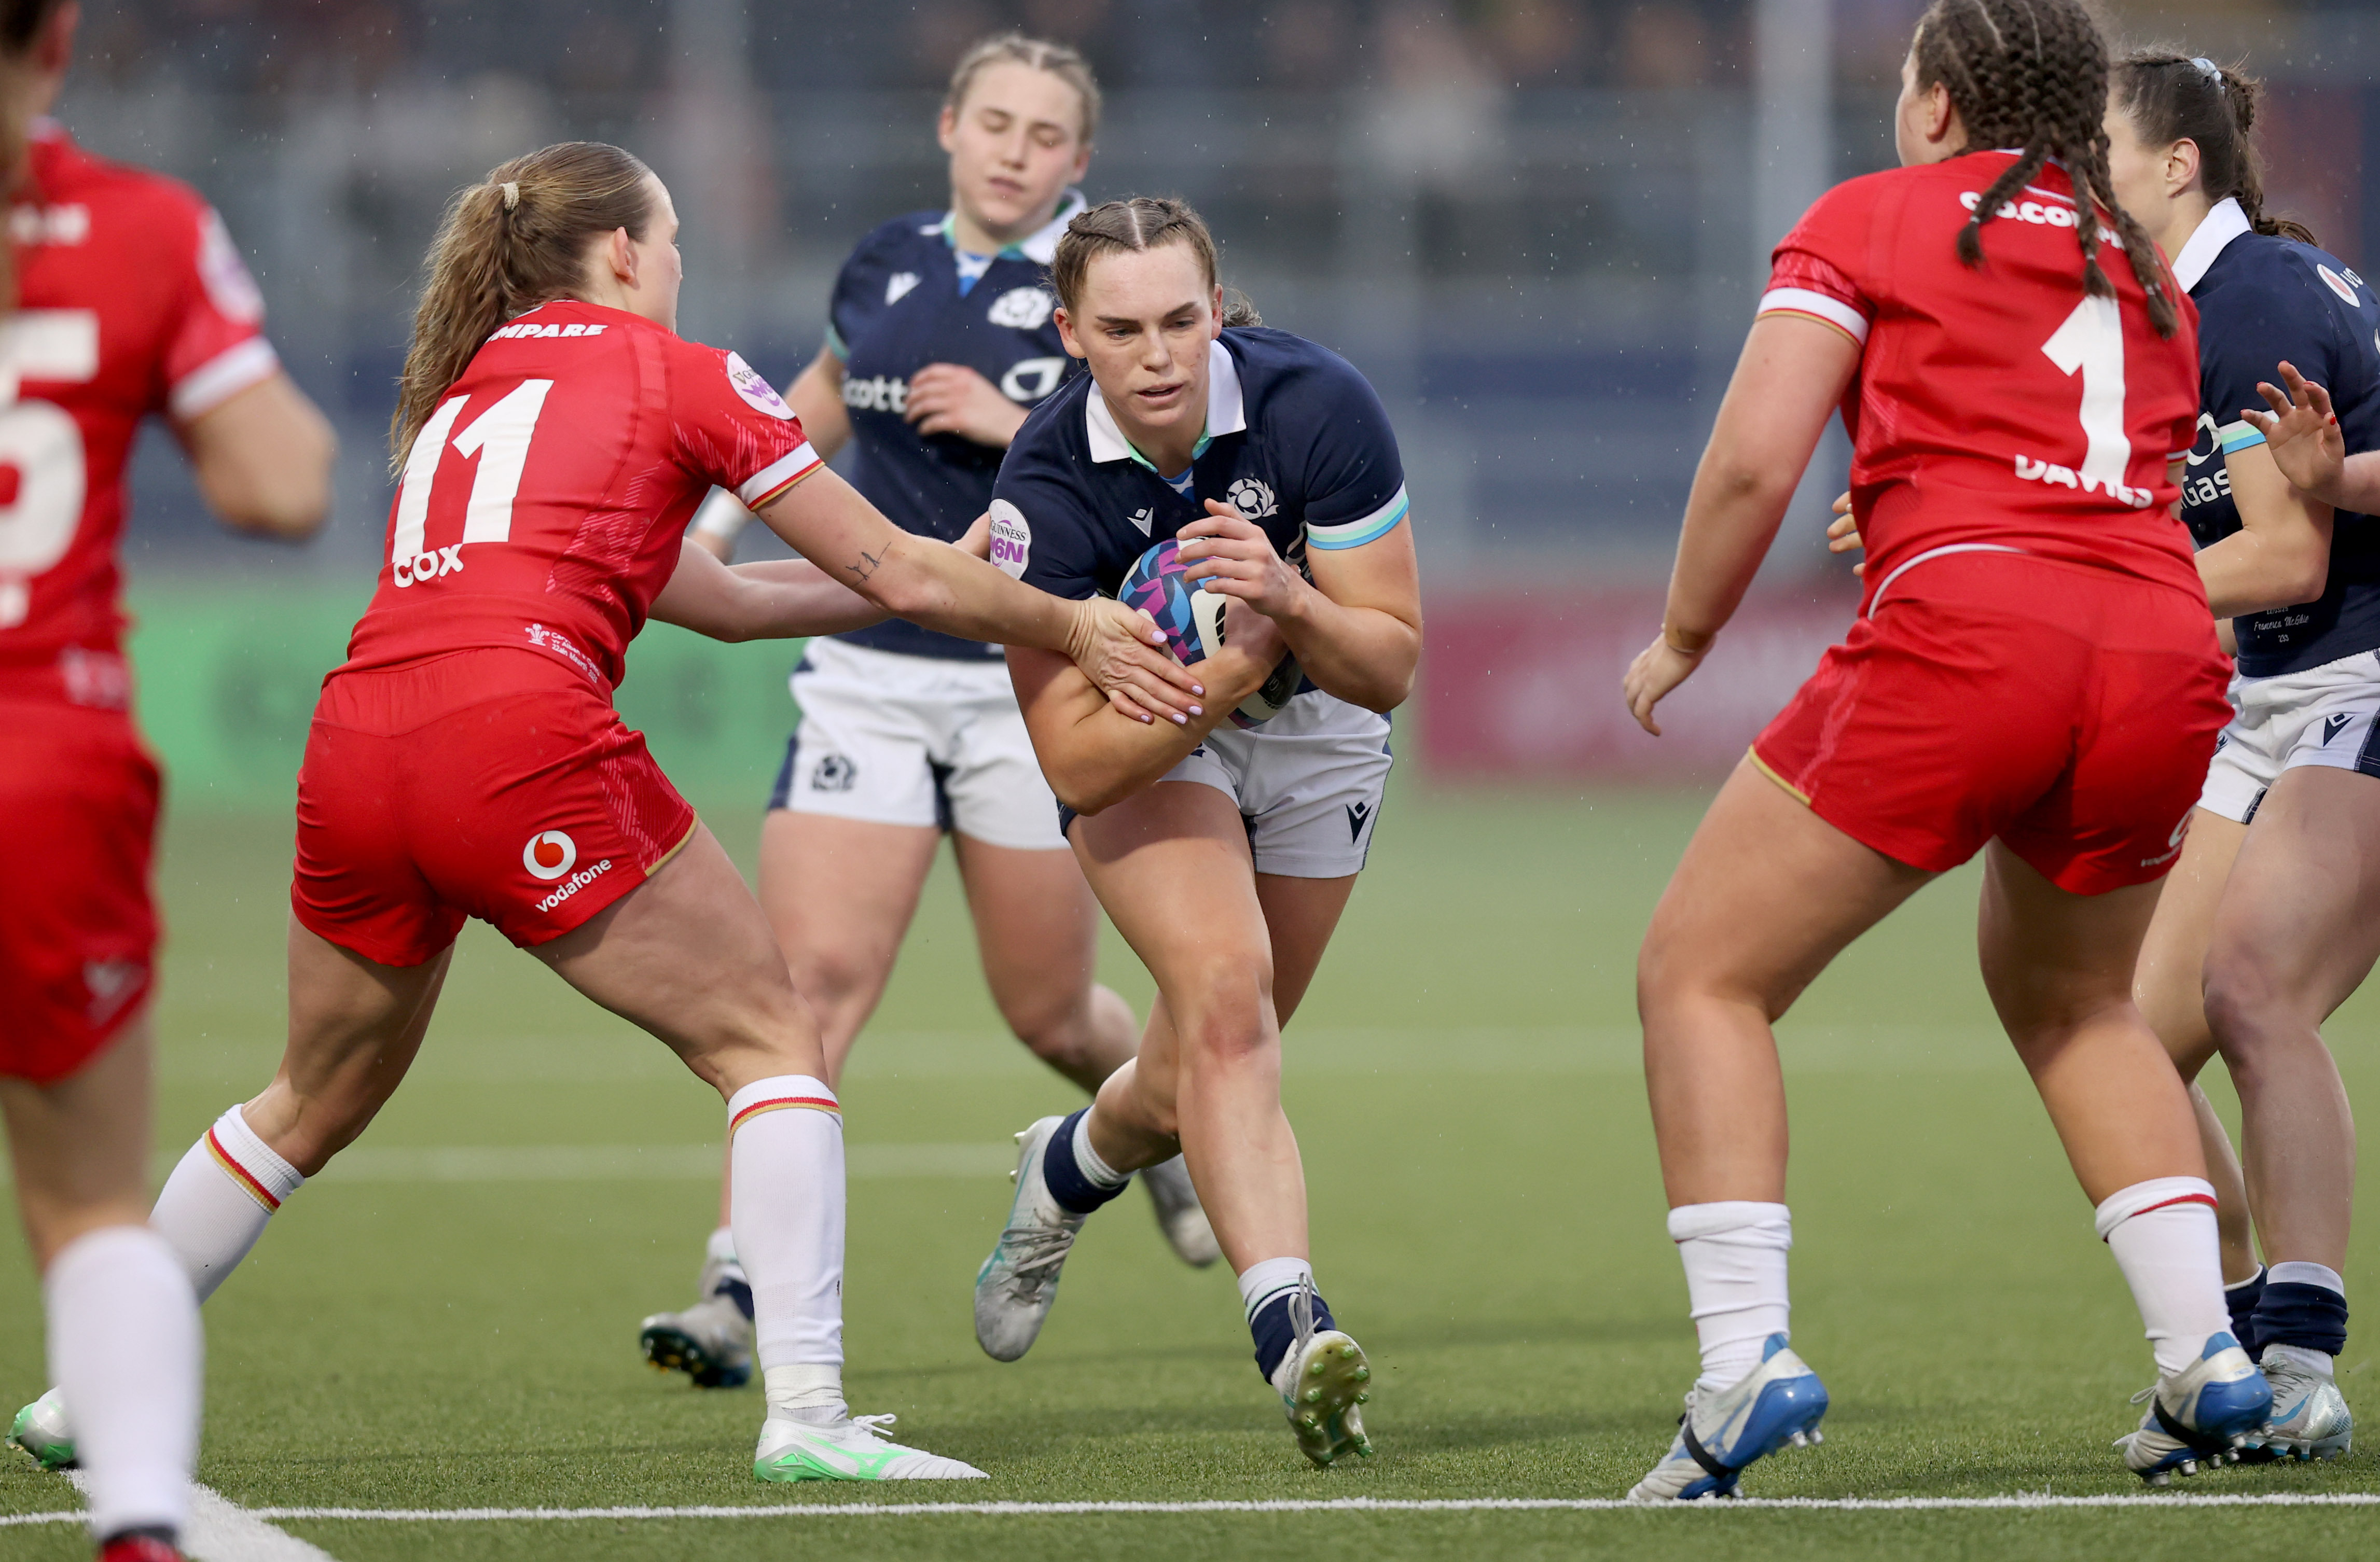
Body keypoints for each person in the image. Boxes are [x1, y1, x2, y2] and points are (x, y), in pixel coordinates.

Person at [10, 140, 1201, 1488]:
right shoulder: (678, 373)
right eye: (675, 239)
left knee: (310, 1096)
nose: (682, 264)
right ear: (625, 252)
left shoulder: (471, 387)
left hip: (356, 744)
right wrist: (1064, 620)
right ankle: (807, 1409)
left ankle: (89, 1388)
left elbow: (739, 600)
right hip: (515, 735)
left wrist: (950, 570)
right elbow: (874, 554)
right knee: (774, 1041)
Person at [1619, 0, 2266, 1501]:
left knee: (1698, 972)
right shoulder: (2141, 267)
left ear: (1931, 106)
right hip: (2162, 651)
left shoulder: (1873, 216)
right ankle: (2204, 1352)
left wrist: (1685, 633)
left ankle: (1741, 1365)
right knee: (2075, 999)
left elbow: (1752, 457)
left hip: (1974, 636)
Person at [639, 34, 1215, 1396]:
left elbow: (1175, 439)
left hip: (1028, 679)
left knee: (1049, 1011)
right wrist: (709, 516)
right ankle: (736, 1286)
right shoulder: (887, 260)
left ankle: (1159, 1124)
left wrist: (1019, 402)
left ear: (1080, 162)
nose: (1015, 150)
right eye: (994, 122)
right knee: (807, 995)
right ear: (950, 128)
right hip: (866, 666)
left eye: (1044, 134)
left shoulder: (1100, 291)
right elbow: (825, 401)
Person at [965, 197, 1421, 1468]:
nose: (1158, 354)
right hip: (1151, 747)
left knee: (1195, 1073)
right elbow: (1074, 760)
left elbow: (1387, 666)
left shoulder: (1319, 407)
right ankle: (1292, 1325)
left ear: (1217, 309)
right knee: (1227, 996)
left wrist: (1284, 595)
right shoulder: (1042, 484)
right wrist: (1220, 682)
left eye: (1181, 319)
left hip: (1321, 725)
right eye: (1121, 329)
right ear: (1070, 334)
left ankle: (1070, 1166)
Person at [0, 2, 336, 1555]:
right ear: (58, 42)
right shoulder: (143, 227)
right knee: (83, 1204)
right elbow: (279, 484)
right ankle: (138, 1514)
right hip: (43, 756)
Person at [2096, 50, 2379, 1465]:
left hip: (2359, 679)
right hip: (2270, 701)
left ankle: (2296, 1364)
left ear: (2175, 165)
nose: (2082, 180)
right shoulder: (2177, 308)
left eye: (2102, 151)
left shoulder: (2252, 298)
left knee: (2252, 985)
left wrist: (2086, 571)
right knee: (2128, 1045)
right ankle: (2223, 1353)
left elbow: (2281, 551)